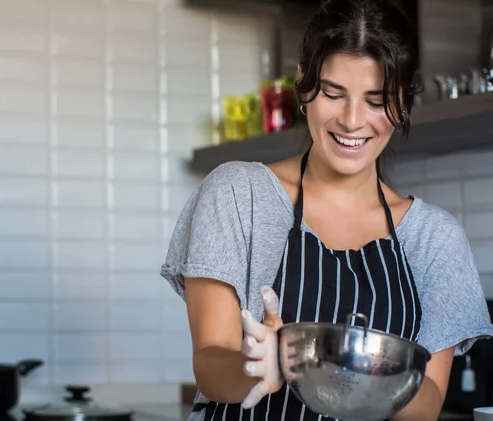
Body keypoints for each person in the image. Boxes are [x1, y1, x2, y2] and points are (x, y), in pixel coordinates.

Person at [160, 0, 493, 420]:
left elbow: (427, 402)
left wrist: (359, 373)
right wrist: (265, 363)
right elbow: (210, 362)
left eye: (377, 100)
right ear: (304, 86)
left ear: (404, 104)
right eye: (333, 93)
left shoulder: (435, 238)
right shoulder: (237, 193)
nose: (352, 121)